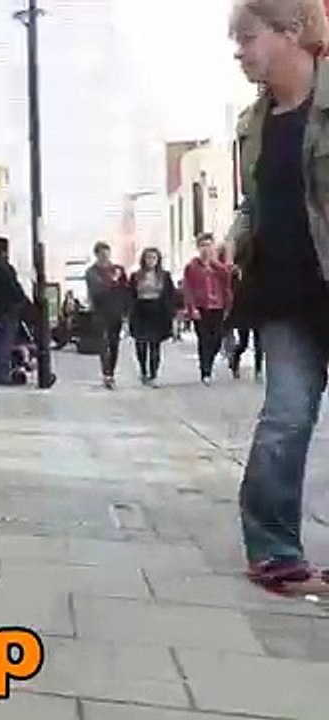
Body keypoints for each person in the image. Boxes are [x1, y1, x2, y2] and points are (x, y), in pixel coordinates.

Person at [226, 0, 329, 591]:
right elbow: (255, 200)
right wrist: (239, 240)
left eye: (247, 37)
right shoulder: (253, 123)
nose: (239, 52)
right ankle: (273, 551)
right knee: (285, 420)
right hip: (283, 296)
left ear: (291, 32)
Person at [183, 233, 233, 385]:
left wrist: (228, 306)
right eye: (203, 245)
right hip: (201, 307)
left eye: (209, 245)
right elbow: (188, 288)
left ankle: (209, 361)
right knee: (204, 340)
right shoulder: (192, 267)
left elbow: (227, 288)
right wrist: (192, 308)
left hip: (217, 307)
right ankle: (206, 371)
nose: (206, 248)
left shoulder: (220, 268)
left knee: (217, 339)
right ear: (198, 248)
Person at [0, 236, 30, 385]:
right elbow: (12, 287)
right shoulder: (2, 267)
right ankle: (0, 374)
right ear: (5, 250)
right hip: (6, 310)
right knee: (3, 343)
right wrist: (24, 302)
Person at [128, 247, 175, 387]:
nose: (151, 261)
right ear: (143, 259)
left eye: (154, 258)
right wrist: (128, 312)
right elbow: (130, 295)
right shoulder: (136, 276)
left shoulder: (164, 276)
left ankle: (154, 374)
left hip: (157, 311)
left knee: (155, 345)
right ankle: (143, 370)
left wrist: (172, 312)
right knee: (141, 344)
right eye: (148, 258)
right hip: (140, 311)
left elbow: (170, 294)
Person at [85, 241, 130, 389]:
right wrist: (112, 281)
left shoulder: (118, 269)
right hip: (100, 311)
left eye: (107, 254)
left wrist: (126, 311)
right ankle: (107, 374)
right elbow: (96, 290)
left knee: (114, 343)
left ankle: (112, 371)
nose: (105, 257)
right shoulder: (92, 272)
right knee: (103, 343)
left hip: (116, 311)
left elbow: (125, 290)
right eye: (102, 254)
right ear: (97, 255)